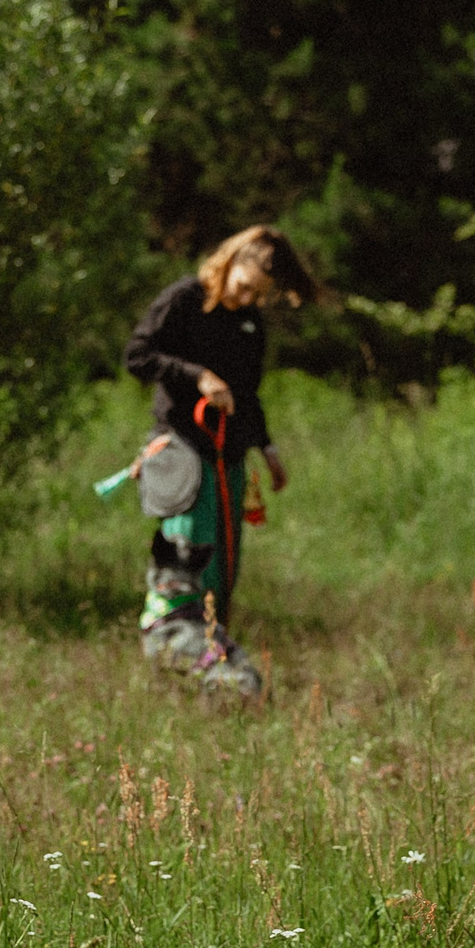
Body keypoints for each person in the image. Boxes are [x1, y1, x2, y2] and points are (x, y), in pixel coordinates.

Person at [122, 225, 317, 691]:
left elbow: (247, 395)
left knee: (221, 572)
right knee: (184, 566)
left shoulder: (249, 324)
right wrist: (198, 376)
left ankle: (216, 670)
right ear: (228, 263)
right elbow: (137, 356)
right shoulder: (184, 300)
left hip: (228, 457)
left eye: (258, 295)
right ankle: (171, 659)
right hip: (181, 454)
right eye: (243, 286)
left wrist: (267, 450)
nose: (246, 298)